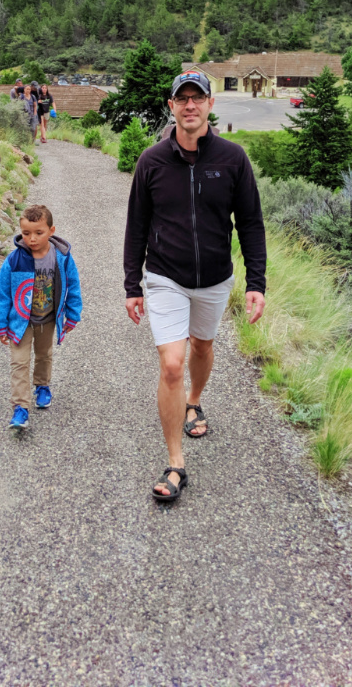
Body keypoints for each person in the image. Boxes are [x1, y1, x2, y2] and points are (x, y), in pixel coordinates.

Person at [123, 70, 266, 502]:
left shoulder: (233, 159)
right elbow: (136, 227)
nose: (189, 105)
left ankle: (194, 399)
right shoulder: (151, 162)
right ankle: (175, 462)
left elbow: (252, 224)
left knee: (202, 347)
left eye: (197, 98)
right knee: (171, 363)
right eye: (181, 98)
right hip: (165, 276)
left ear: (209, 105)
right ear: (171, 107)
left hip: (215, 279)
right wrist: (133, 284)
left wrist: (256, 281)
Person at [0, 204, 83, 429]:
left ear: (51, 231)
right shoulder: (14, 260)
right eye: (26, 233)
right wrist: (0, 324)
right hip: (20, 322)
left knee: (44, 355)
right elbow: (2, 294)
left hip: (48, 319)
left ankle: (42, 385)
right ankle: (20, 407)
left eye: (38, 233)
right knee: (19, 362)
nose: (32, 239)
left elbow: (73, 286)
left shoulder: (61, 258)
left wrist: (72, 315)